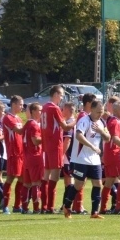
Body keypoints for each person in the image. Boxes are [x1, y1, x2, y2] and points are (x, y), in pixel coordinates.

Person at [62, 98, 111, 219]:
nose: (100, 114)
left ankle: (94, 212)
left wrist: (101, 131)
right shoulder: (84, 121)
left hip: (94, 159)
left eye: (102, 111)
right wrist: (92, 146)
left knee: (98, 184)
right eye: (98, 111)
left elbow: (108, 138)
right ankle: (67, 206)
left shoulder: (102, 123)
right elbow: (79, 136)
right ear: (92, 109)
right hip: (80, 158)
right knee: (79, 185)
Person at [40, 85, 76, 214]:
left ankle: (44, 206)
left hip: (46, 144)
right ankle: (49, 207)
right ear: (55, 94)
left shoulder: (44, 107)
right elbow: (65, 127)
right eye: (60, 95)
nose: (61, 98)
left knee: (46, 175)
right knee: (54, 176)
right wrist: (75, 121)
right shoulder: (54, 108)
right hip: (55, 144)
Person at [1, 95, 26, 214]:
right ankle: (5, 205)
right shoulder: (8, 118)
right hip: (13, 152)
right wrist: (32, 124)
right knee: (10, 178)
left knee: (21, 179)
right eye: (20, 104)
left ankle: (17, 205)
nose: (22, 106)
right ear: (14, 104)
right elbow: (19, 131)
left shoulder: (19, 119)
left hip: (21, 153)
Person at [21, 102, 44, 213]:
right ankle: (36, 208)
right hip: (34, 156)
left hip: (26, 157)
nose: (41, 112)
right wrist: (47, 138)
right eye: (40, 110)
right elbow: (35, 141)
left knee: (27, 184)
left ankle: (24, 208)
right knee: (36, 183)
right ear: (33, 111)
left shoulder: (27, 124)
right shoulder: (34, 125)